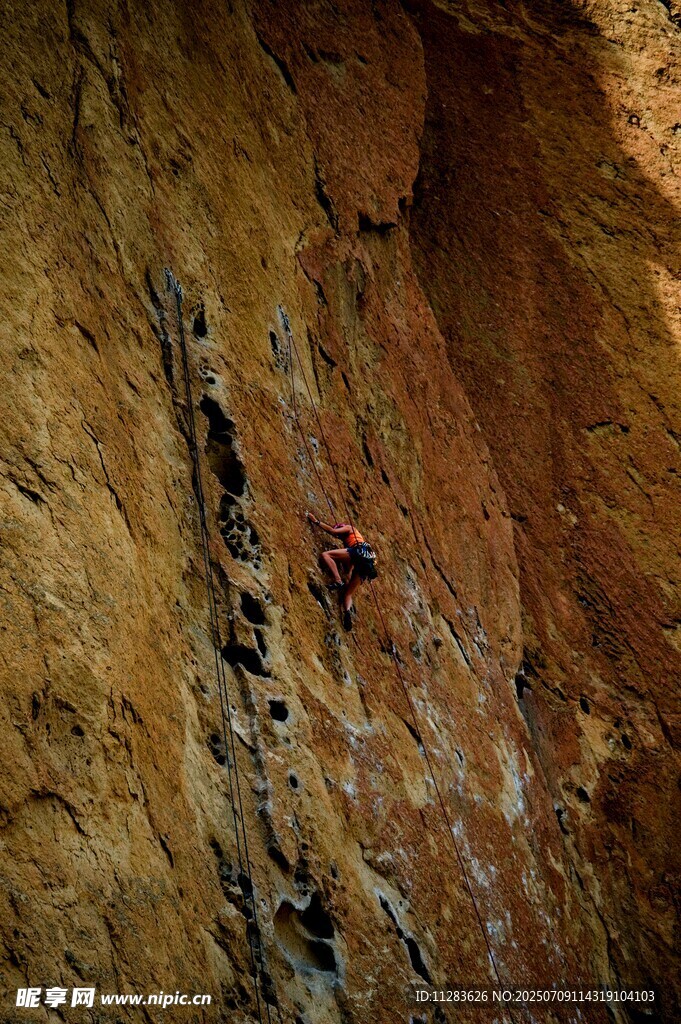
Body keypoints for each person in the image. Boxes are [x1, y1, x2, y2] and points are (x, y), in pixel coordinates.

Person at [306, 512, 377, 630]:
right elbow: (350, 568)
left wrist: (316, 522)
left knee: (325, 555)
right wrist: (348, 576)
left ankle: (338, 581)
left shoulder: (350, 529)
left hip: (357, 553)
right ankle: (347, 612)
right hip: (365, 567)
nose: (339, 537)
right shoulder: (360, 543)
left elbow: (333, 532)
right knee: (348, 594)